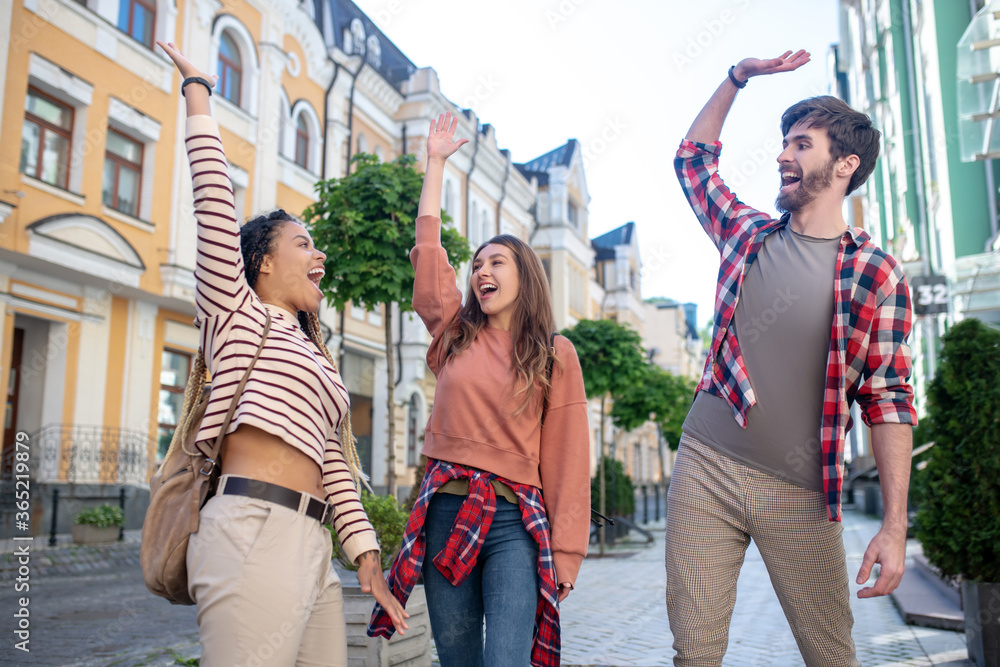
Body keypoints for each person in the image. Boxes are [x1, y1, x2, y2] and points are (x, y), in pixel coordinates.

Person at [155, 41, 407, 666]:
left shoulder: (318, 356)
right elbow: (214, 203)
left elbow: (334, 463)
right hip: (249, 531)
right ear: (263, 261)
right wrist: (198, 91)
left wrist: (367, 557)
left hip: (312, 543)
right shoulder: (234, 314)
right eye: (304, 243)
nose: (319, 255)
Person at [666, 51, 917, 666]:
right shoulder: (748, 235)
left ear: (845, 164)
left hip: (803, 489)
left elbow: (888, 399)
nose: (783, 154)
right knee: (694, 654)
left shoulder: (874, 273)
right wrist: (737, 77)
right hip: (706, 465)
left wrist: (893, 524)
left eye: (801, 144)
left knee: (831, 655)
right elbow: (693, 163)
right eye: (784, 143)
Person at [368, 112, 591, 667]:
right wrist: (436, 163)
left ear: (525, 276)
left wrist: (566, 551)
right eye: (476, 265)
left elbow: (567, 458)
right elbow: (428, 257)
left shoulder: (554, 354)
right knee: (459, 658)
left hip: (515, 519)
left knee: (506, 660)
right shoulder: (454, 333)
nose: (481, 272)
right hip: (444, 512)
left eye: (497, 262)